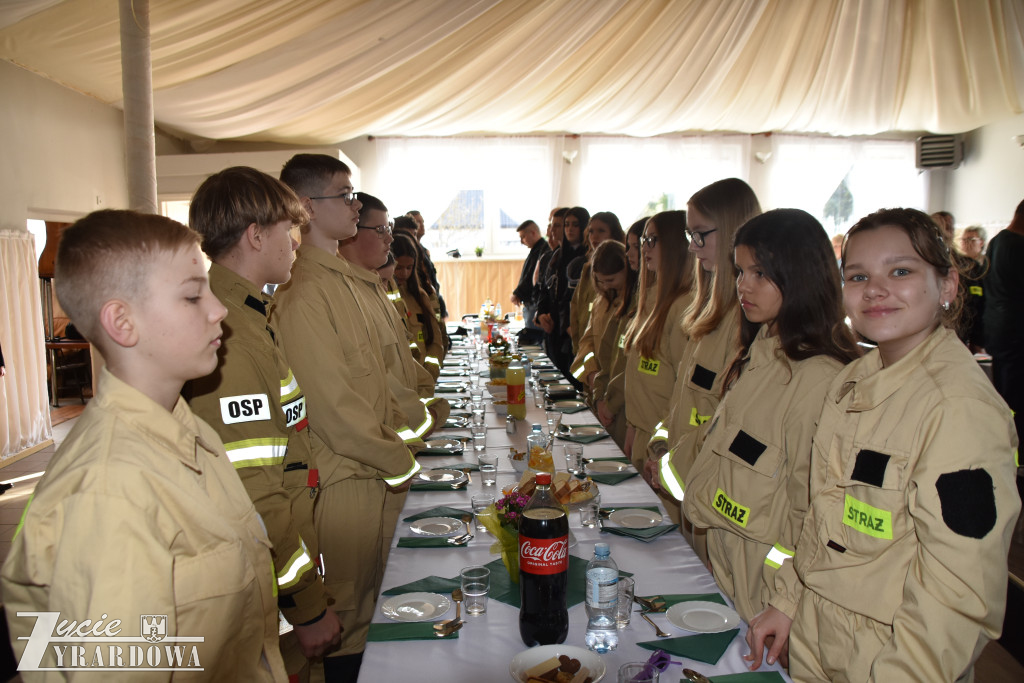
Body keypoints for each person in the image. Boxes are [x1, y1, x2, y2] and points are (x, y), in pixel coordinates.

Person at [1, 210, 289, 681]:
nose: (219, 310)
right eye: (193, 296)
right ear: (123, 322)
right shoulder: (110, 491)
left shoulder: (190, 430)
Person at [747, 208, 1020, 681]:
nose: (875, 289)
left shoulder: (957, 410)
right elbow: (823, 515)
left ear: (948, 286)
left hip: (891, 657)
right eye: (858, 275)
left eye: (900, 271)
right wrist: (788, 601)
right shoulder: (853, 383)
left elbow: (957, 595)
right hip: (821, 634)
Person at [185, 167, 341, 679]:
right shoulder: (230, 330)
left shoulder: (250, 314)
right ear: (256, 235)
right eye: (287, 230)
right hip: (262, 584)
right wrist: (308, 606)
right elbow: (254, 489)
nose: (296, 241)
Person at [273, 154, 420, 682]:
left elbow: (380, 385)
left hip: (370, 472)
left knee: (370, 613)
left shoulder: (344, 282)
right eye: (346, 195)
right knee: (346, 626)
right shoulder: (306, 292)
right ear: (308, 208)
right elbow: (333, 409)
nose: (356, 205)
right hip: (343, 481)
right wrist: (400, 461)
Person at [682, 209, 860, 632]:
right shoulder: (760, 353)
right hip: (732, 581)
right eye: (741, 271)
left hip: (769, 604)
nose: (744, 285)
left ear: (798, 275)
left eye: (759, 273)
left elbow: (813, 514)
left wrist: (784, 603)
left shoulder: (818, 379)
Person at [623, 211, 695, 471]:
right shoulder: (651, 297)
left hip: (661, 442)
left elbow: (682, 388)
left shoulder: (684, 306)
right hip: (642, 432)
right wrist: (632, 427)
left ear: (677, 245)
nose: (644, 248)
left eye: (653, 240)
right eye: (644, 240)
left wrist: (660, 445)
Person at [593, 218, 645, 449]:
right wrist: (597, 392)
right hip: (606, 395)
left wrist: (609, 403)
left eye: (637, 247)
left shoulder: (638, 302)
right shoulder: (614, 301)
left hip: (627, 407)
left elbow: (628, 363)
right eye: (629, 247)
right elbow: (603, 352)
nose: (606, 286)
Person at [984, 199, 1024, 443]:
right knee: (1016, 401)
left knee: (1004, 397)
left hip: (998, 333)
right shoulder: (1018, 247)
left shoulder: (995, 242)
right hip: (1017, 335)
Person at [569, 240, 629, 397]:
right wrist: (591, 373)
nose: (605, 287)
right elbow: (587, 342)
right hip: (596, 387)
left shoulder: (633, 304)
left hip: (621, 393)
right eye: (599, 281)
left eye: (610, 280)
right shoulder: (600, 302)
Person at [536, 206, 589, 377]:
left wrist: (568, 325)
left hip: (573, 333)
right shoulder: (556, 256)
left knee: (574, 380)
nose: (570, 229)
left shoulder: (587, 258)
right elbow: (545, 289)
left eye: (575, 225)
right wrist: (541, 314)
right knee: (554, 379)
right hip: (553, 331)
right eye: (567, 224)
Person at [568, 212, 624, 355]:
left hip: (606, 349)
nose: (595, 237)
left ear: (614, 233)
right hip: (585, 344)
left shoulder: (622, 267)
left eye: (601, 231)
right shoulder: (587, 268)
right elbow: (576, 305)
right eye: (591, 231)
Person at [511, 219, 550, 340]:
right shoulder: (535, 250)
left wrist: (517, 293)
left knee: (532, 342)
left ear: (533, 233)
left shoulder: (542, 249)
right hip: (530, 303)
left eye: (523, 237)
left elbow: (532, 277)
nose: (522, 241)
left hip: (534, 304)